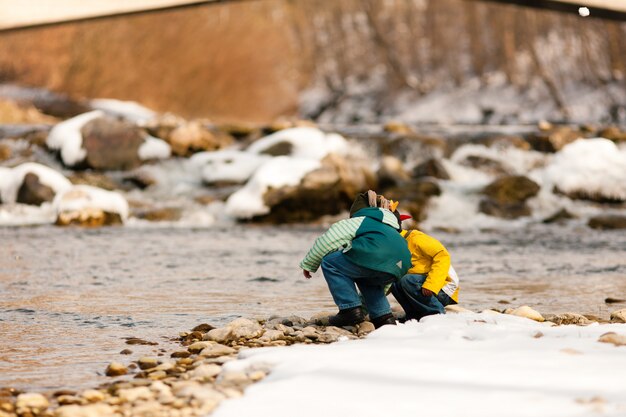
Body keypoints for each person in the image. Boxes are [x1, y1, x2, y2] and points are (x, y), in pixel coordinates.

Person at [300, 191, 411, 329]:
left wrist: (309, 264)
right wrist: (363, 311)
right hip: (400, 265)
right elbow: (383, 283)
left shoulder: (361, 220)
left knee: (330, 261)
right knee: (370, 278)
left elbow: (328, 240)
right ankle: (383, 317)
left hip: (375, 257)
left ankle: (349, 309)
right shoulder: (391, 229)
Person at [390, 219, 460, 322]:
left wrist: (431, 285)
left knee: (408, 280)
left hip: (443, 287)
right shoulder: (394, 248)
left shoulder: (416, 238)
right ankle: (414, 316)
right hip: (419, 284)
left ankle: (436, 314)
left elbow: (443, 256)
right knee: (393, 281)